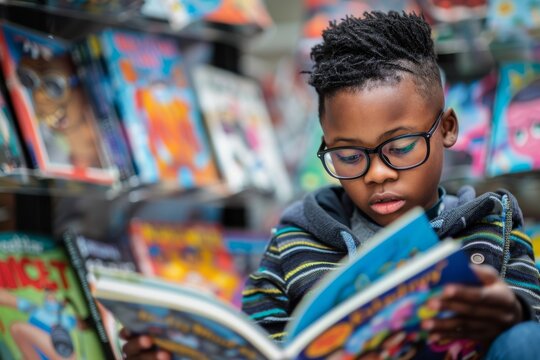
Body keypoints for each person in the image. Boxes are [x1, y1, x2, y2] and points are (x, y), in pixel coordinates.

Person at [120, 11, 540, 359]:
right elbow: (256, 341)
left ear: (447, 128)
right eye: (349, 156)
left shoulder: (492, 228)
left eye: (401, 147)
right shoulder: (294, 242)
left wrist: (512, 314)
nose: (377, 174)